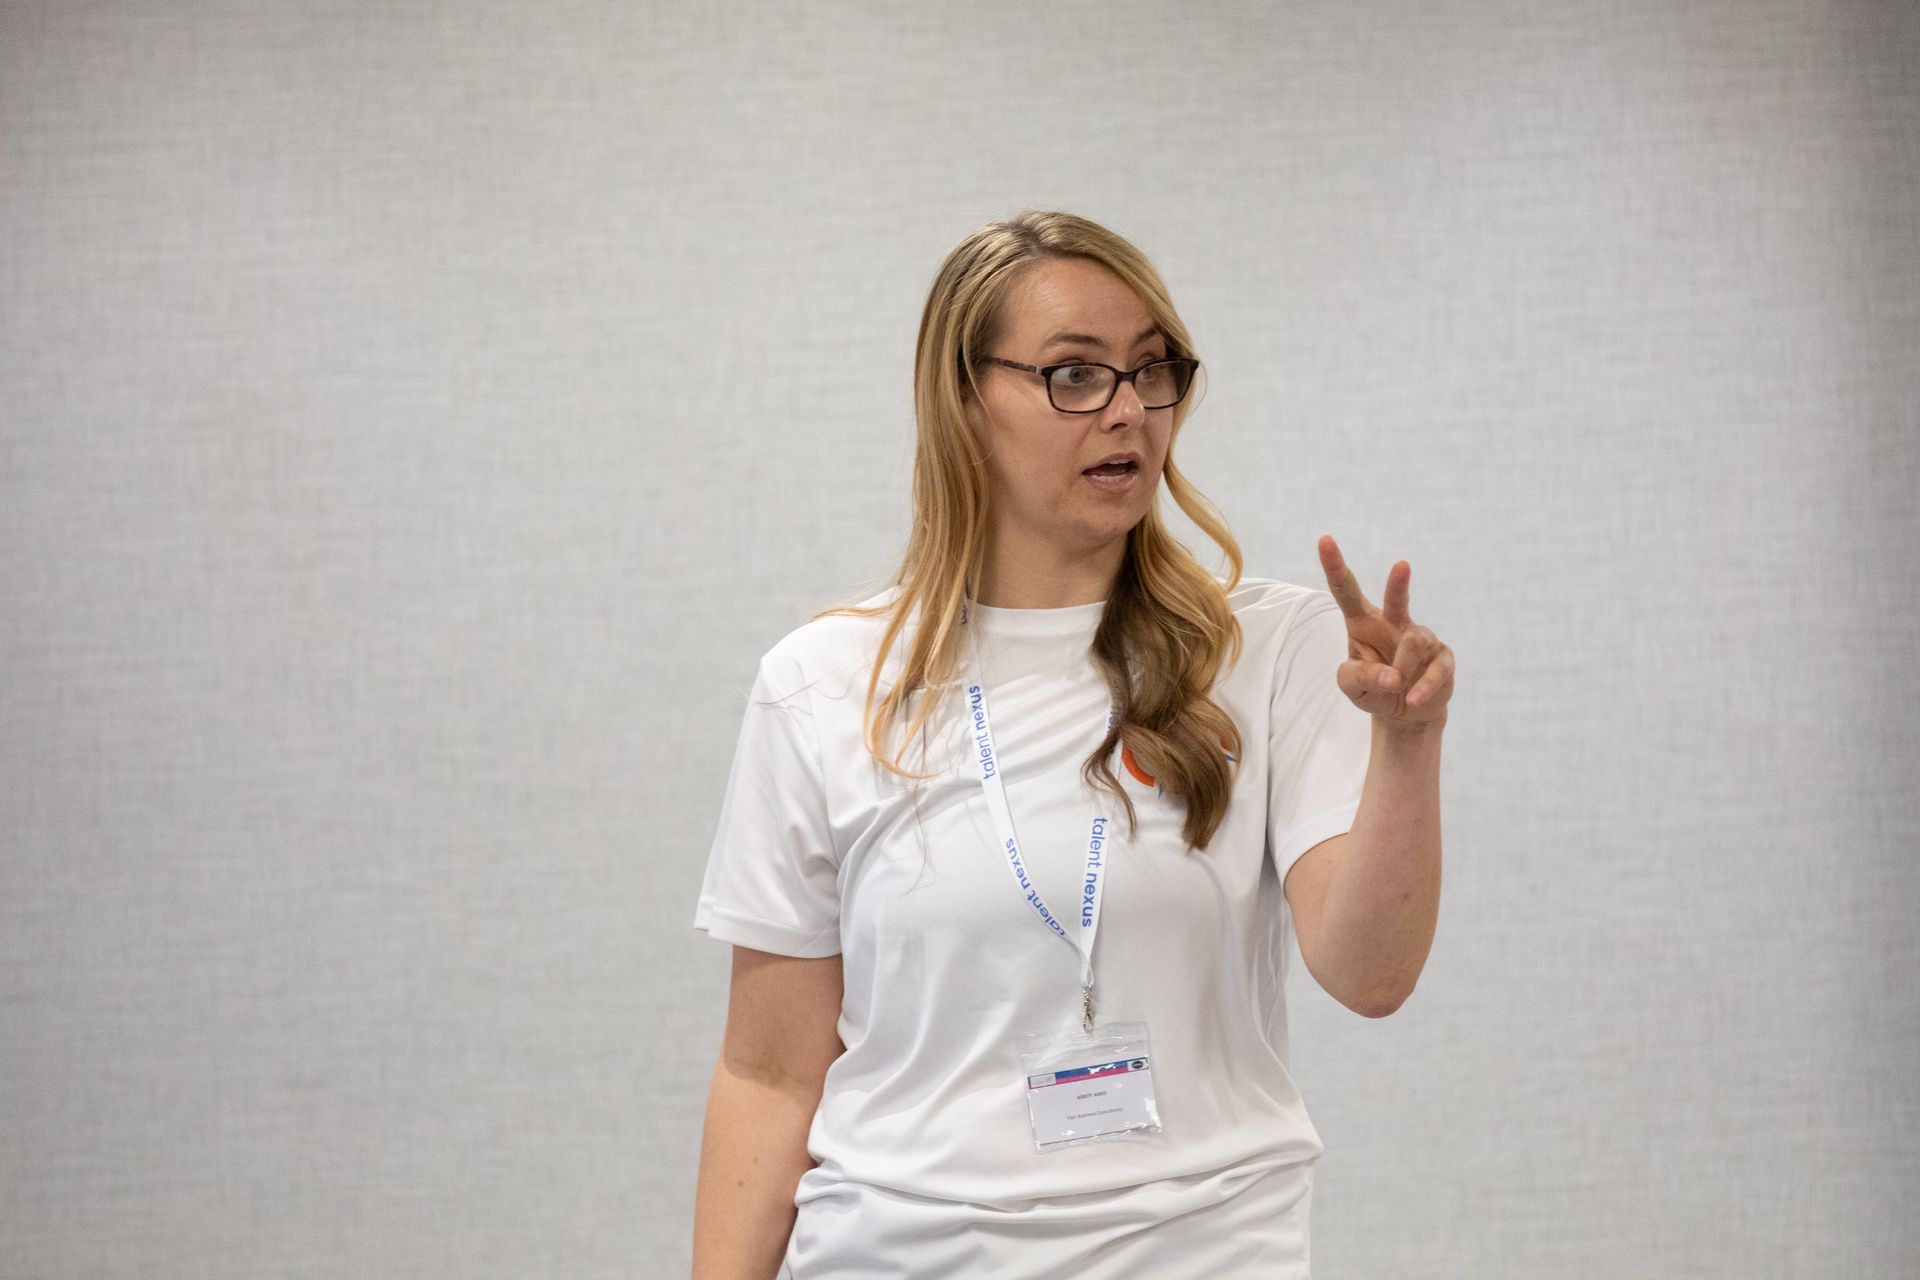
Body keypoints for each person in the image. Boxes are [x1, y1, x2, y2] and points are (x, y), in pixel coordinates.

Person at [690, 210, 1453, 1278]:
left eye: (1153, 370)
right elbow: (769, 1076)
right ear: (964, 400)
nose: (1130, 410)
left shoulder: (1271, 648)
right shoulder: (821, 685)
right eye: (1075, 375)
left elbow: (1371, 974)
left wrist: (1407, 746)